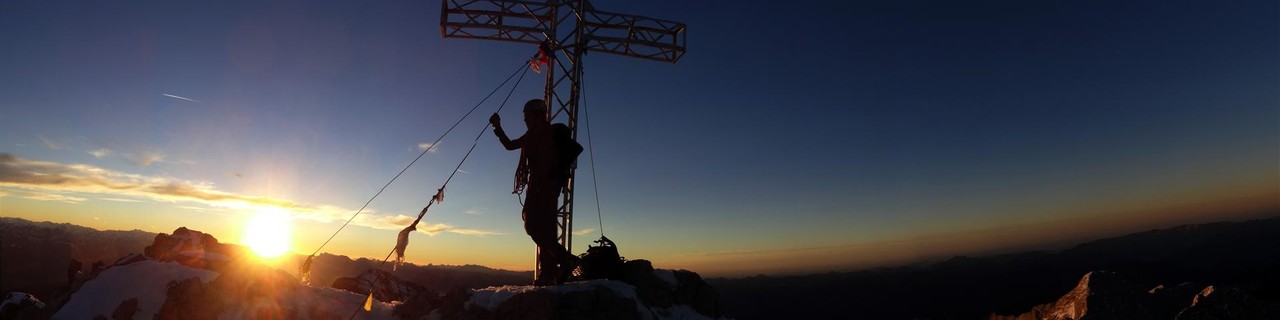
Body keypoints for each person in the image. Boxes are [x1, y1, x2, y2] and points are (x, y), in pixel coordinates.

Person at [490, 99, 579, 285]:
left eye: (527, 116)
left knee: (533, 226)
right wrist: (497, 128)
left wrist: (552, 174)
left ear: (537, 115)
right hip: (540, 185)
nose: (524, 120)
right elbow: (510, 145)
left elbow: (571, 150)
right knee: (543, 229)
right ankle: (549, 272)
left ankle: (564, 260)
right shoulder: (532, 135)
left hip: (545, 186)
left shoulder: (550, 133)